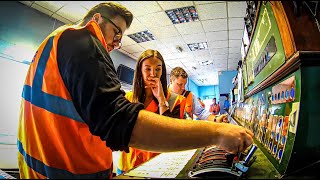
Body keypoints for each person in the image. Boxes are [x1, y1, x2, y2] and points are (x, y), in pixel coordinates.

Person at [17, 2, 253, 179]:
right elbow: (121, 122)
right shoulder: (81, 39)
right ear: (97, 19)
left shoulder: (50, 44)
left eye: (121, 38)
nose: (115, 43)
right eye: (116, 33)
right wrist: (216, 133)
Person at [117, 49, 186, 175]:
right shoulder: (127, 98)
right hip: (127, 165)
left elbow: (171, 135)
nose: (153, 74)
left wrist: (161, 98)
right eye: (147, 69)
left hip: (157, 168)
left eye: (158, 69)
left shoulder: (176, 100)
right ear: (140, 71)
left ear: (163, 71)